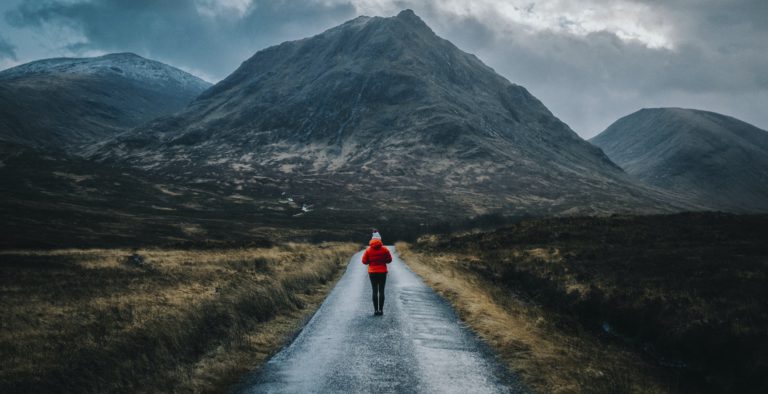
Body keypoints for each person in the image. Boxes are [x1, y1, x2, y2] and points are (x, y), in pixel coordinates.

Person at [362, 238, 392, 316]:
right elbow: (389, 260)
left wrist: (370, 261)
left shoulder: (368, 250)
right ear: (380, 242)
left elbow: (364, 261)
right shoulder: (385, 249)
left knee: (374, 291)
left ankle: (375, 310)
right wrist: (383, 261)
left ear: (371, 242)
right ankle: (381, 310)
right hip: (382, 272)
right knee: (381, 291)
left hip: (372, 272)